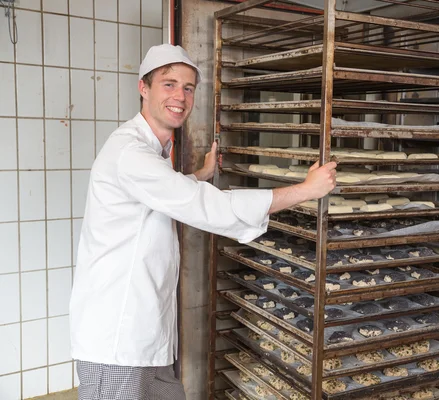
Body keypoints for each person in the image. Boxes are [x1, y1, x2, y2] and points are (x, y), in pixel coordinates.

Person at [69, 44, 336, 400]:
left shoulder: (150, 153)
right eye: (168, 84)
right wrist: (305, 190)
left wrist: (201, 174)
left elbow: (161, 196)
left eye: (188, 87)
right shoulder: (129, 153)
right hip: (117, 339)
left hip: (146, 329)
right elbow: (206, 207)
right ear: (143, 88)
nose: (180, 95)